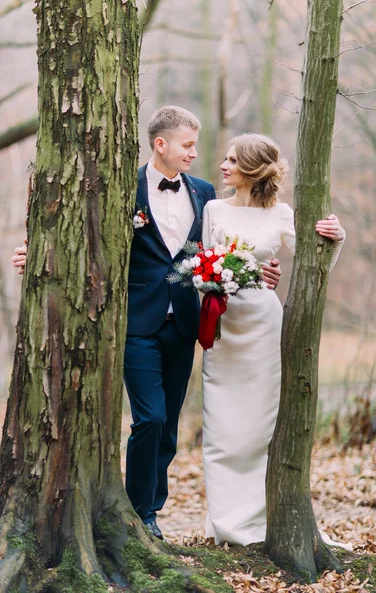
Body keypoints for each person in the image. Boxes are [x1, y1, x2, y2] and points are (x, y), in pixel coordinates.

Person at [11, 107, 282, 541]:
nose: (195, 153)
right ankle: (139, 512)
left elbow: (223, 251)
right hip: (136, 322)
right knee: (149, 419)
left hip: (185, 324)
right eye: (187, 145)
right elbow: (79, 229)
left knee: (169, 427)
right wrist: (37, 256)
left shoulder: (206, 193)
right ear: (161, 145)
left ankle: (151, 510)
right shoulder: (125, 188)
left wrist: (261, 271)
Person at [201, 133, 346, 546]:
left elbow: (313, 262)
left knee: (260, 425)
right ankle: (225, 520)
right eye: (225, 158)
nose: (224, 166)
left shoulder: (281, 214)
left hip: (265, 327)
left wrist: (335, 238)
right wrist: (208, 280)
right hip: (223, 326)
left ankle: (264, 515)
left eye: (233, 160)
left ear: (251, 168)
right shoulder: (213, 208)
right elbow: (200, 264)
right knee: (222, 425)